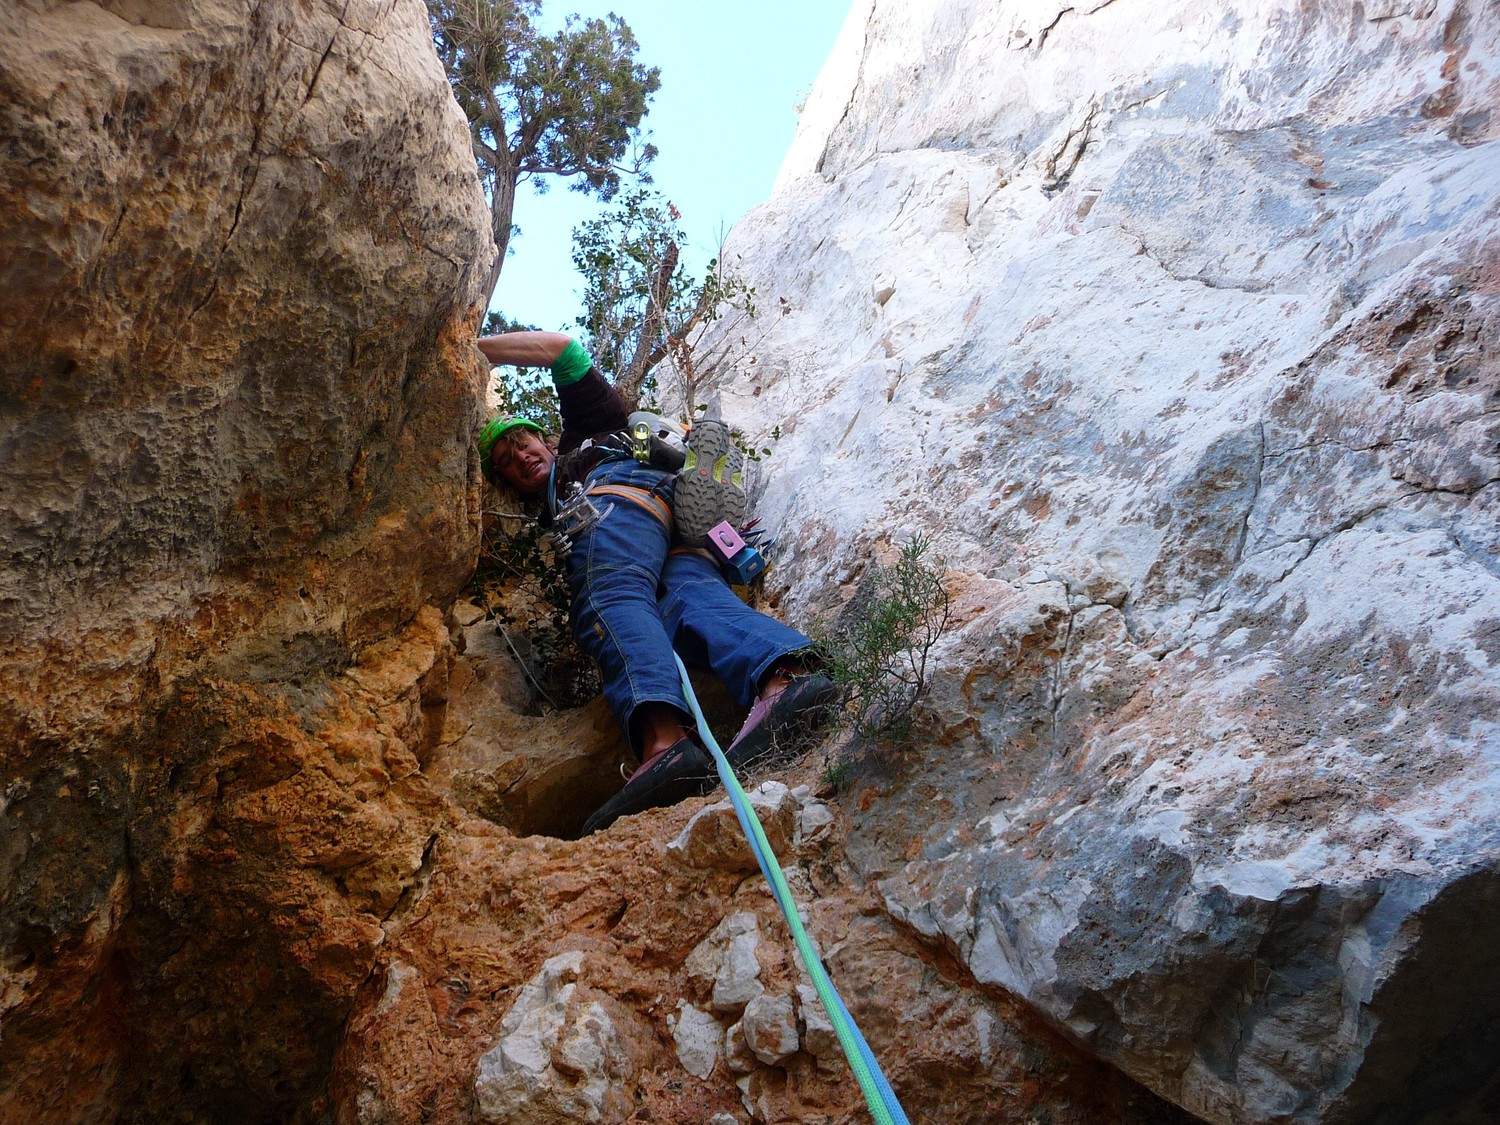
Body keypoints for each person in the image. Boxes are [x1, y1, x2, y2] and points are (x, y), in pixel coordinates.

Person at [475, 330, 835, 834]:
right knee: (688, 600)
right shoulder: (553, 494)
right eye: (505, 462)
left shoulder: (588, 428)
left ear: (546, 439)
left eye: (522, 443)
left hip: (615, 505)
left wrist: (471, 347)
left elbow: (563, 350)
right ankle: (787, 679)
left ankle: (666, 745)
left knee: (609, 595)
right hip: (672, 520)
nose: (520, 458)